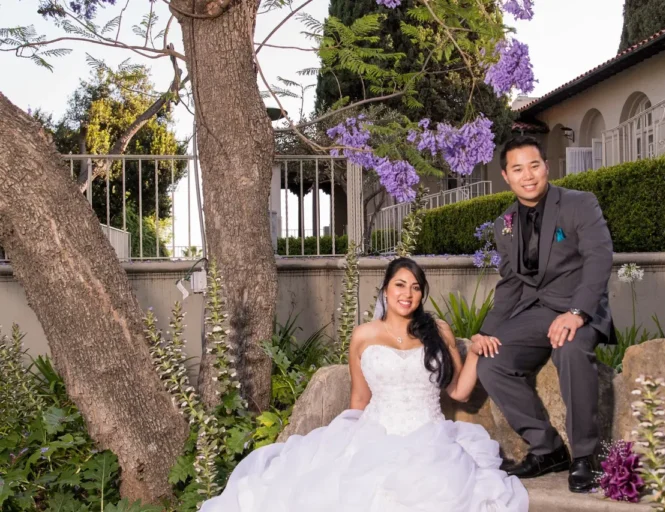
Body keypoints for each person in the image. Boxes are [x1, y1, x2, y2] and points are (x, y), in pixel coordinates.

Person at [200, 257, 529, 512]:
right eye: (400, 285)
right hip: (375, 431)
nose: (408, 294)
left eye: (416, 287)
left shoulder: (438, 330)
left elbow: (458, 392)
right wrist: (345, 442)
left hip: (429, 437)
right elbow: (359, 397)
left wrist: (473, 353)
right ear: (386, 289)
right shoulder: (364, 335)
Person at [474, 135, 615, 493]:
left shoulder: (580, 203)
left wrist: (578, 312)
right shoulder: (503, 222)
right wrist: (485, 331)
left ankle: (584, 456)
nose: (528, 175)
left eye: (534, 165)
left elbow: (599, 259)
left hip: (577, 309)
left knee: (569, 350)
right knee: (492, 362)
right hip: (536, 312)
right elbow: (510, 283)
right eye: (518, 169)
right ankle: (548, 448)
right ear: (506, 176)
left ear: (546, 167)